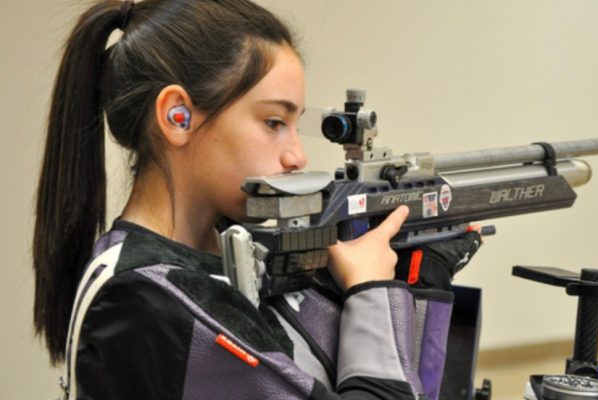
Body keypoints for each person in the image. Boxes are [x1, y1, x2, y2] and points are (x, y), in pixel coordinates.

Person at [32, 1, 481, 399]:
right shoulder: (147, 295)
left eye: (295, 124)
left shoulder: (231, 256)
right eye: (272, 122)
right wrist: (373, 291)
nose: (297, 155)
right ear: (178, 116)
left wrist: (415, 276)